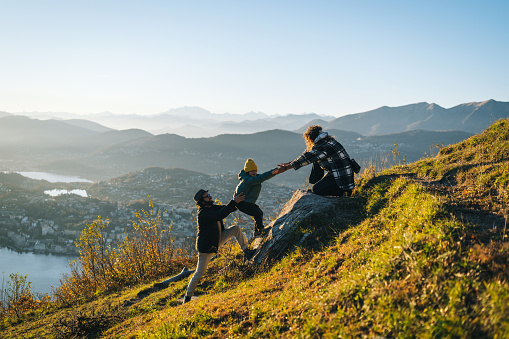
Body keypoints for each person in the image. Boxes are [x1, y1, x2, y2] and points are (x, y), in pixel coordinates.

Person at [183, 189, 255, 304]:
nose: (210, 197)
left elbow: (226, 208)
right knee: (199, 274)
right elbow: (219, 214)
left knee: (235, 229)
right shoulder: (203, 213)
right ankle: (187, 297)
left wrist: (237, 201)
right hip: (206, 248)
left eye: (209, 195)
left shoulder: (210, 207)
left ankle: (247, 252)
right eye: (207, 196)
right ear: (201, 201)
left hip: (217, 240)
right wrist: (233, 202)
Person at [279, 125, 355, 197]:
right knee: (315, 160)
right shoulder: (328, 141)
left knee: (316, 190)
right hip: (344, 174)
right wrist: (290, 163)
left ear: (310, 138)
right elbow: (307, 155)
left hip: (342, 179)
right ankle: (320, 183)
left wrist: (285, 168)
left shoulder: (322, 147)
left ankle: (342, 192)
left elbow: (307, 158)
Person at [233, 158, 284, 237]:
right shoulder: (248, 180)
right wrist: (273, 172)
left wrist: (274, 171)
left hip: (247, 202)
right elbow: (261, 178)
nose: (254, 172)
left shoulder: (252, 178)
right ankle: (259, 231)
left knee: (259, 213)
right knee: (257, 213)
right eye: (251, 171)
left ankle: (257, 231)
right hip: (242, 203)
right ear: (247, 171)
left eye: (255, 170)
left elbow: (263, 176)